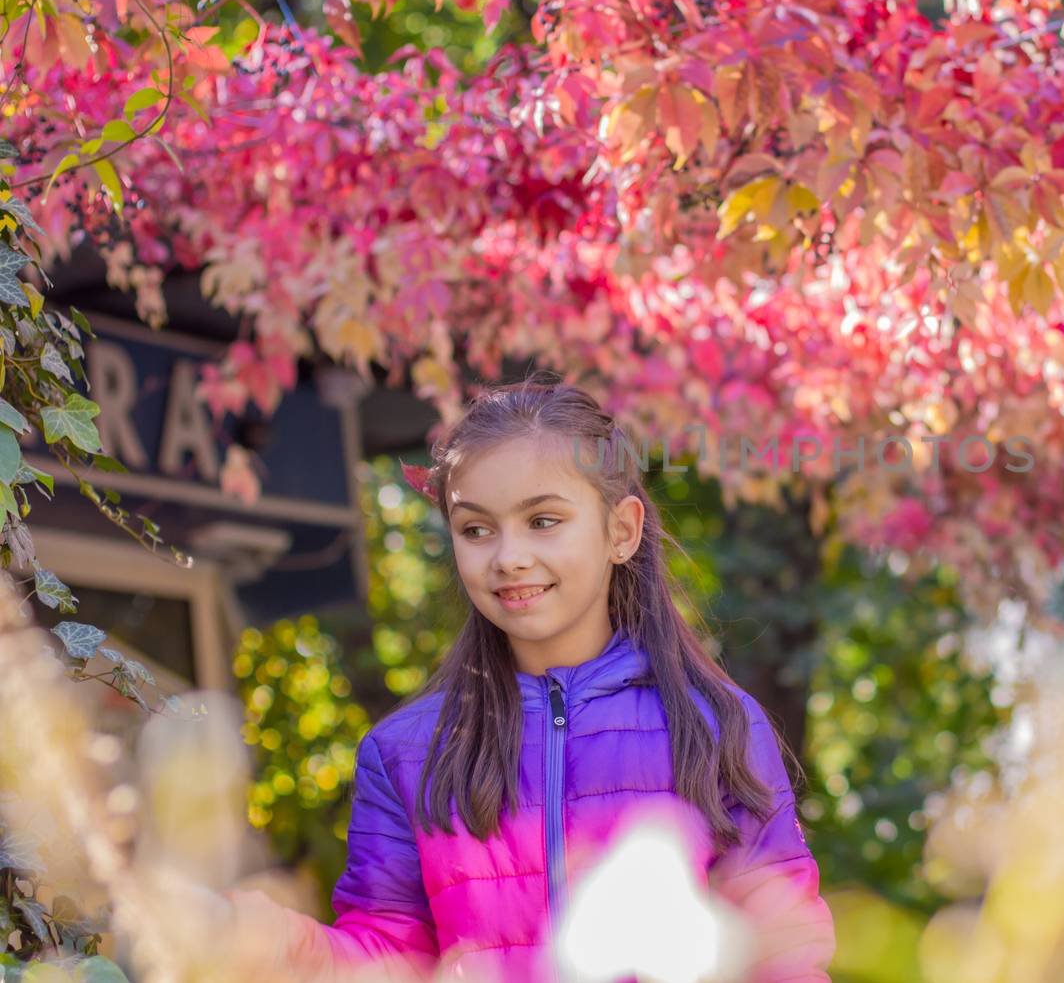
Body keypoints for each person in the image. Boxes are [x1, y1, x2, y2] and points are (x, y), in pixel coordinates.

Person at [221, 373, 835, 983]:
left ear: (621, 530)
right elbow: (388, 953)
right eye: (476, 529)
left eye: (542, 521)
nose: (508, 556)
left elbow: (783, 952)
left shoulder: (714, 724)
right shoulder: (405, 753)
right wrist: (290, 949)